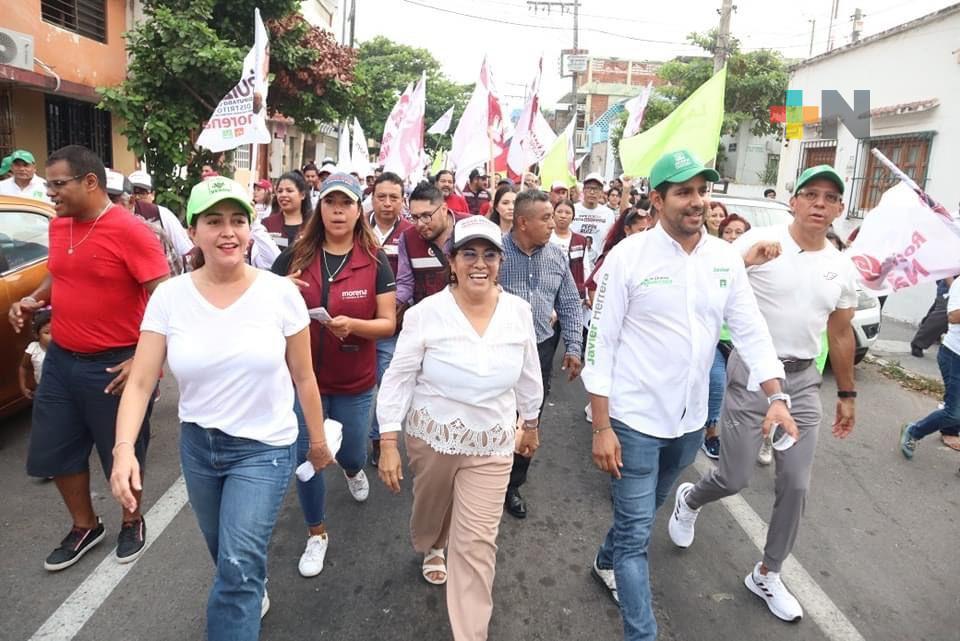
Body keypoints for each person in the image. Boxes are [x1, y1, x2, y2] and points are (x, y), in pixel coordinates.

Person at [110, 176, 332, 640]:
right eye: (214, 221)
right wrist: (123, 448)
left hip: (264, 449)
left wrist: (316, 442)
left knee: (236, 567)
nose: (228, 232)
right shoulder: (170, 297)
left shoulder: (280, 294)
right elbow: (141, 381)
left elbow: (304, 376)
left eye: (237, 220)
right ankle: (251, 584)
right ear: (192, 231)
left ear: (250, 230)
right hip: (199, 447)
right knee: (224, 553)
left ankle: (244, 587)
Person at [584, 149, 793, 640]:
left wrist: (777, 395)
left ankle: (603, 560)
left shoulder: (724, 259)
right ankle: (642, 631)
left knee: (648, 509)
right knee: (636, 537)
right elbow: (600, 344)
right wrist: (601, 426)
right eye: (684, 192)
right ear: (657, 200)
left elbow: (750, 329)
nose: (697, 201)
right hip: (634, 420)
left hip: (690, 422)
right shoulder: (628, 257)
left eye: (702, 190)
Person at [669, 163, 858, 625]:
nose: (819, 204)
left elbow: (839, 333)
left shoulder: (840, 266)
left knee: (796, 484)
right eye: (810, 194)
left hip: (803, 382)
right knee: (733, 477)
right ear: (793, 201)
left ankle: (767, 572)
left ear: (839, 209)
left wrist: (847, 392)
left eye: (830, 198)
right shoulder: (758, 243)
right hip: (752, 373)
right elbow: (706, 286)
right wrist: (747, 263)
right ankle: (690, 499)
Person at [376, 215, 543, 641]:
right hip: (433, 437)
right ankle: (432, 543)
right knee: (431, 509)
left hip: (492, 442)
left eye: (489, 254)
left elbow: (529, 374)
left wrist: (531, 423)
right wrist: (389, 440)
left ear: (500, 262)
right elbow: (398, 378)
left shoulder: (518, 312)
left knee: (477, 544)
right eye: (469, 254)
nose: (479, 264)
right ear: (452, 261)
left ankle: (471, 633)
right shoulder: (425, 314)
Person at [9, 144, 169, 571]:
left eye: (58, 184)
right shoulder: (60, 226)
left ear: (90, 182)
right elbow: (59, 273)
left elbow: (169, 302)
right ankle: (85, 525)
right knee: (55, 448)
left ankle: (131, 520)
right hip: (61, 359)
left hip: (114, 364)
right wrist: (33, 298)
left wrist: (145, 360)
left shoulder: (132, 231)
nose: (49, 193)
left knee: (121, 450)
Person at [273, 172, 396, 578]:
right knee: (310, 456)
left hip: (355, 382)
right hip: (303, 380)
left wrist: (353, 326)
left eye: (346, 203)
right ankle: (317, 532)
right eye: (330, 202)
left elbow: (388, 323)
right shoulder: (296, 256)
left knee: (352, 453)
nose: (338, 211)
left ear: (359, 210)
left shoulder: (374, 260)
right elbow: (257, 301)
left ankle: (353, 470)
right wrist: (278, 289)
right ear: (319, 208)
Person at [499, 190, 582, 518]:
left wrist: (573, 345)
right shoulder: (496, 254)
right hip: (500, 350)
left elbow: (570, 302)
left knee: (530, 416)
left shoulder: (557, 256)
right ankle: (487, 475)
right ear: (523, 222)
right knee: (498, 415)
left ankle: (513, 484)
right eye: (546, 218)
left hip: (541, 349)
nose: (553, 223)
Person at [368, 171, 413, 466]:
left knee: (387, 384)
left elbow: (409, 278)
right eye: (381, 197)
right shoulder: (357, 227)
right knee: (355, 387)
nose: (387, 203)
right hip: (356, 322)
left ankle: (378, 438)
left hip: (392, 325)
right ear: (372, 199)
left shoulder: (410, 233)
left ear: (402, 200)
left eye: (393, 197)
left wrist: (394, 306)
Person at [901, 274, 960, 455]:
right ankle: (914, 431)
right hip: (954, 356)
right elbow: (953, 316)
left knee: (955, 407)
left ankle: (950, 430)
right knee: (953, 412)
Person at [395, 183, 468, 313]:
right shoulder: (407, 238)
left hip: (467, 313)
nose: (420, 224)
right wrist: (393, 304)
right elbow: (405, 284)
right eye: (414, 217)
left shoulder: (470, 227)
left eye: (426, 216)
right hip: (427, 316)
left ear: (443, 209)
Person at [128, 169, 195, 260]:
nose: (137, 197)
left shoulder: (163, 214)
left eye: (142, 193)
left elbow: (185, 250)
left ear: (152, 195)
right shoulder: (122, 218)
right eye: (133, 192)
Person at [572, 172, 617, 265]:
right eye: (589, 188)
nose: (592, 192)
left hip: (598, 263)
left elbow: (611, 239)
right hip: (575, 262)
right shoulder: (572, 209)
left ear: (601, 192)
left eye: (596, 189)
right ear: (583, 190)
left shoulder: (608, 214)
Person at [263, 171, 312, 248]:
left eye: (289, 191)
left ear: (302, 195)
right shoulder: (267, 224)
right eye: (280, 191)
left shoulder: (313, 224)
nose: (283, 195)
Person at [910, 278, 953, 358]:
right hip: (950, 287)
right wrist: (954, 288)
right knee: (944, 313)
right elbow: (949, 274)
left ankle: (928, 327)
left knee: (940, 312)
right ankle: (918, 344)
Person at [19, 307, 52, 400]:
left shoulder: (63, 348)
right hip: (43, 391)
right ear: (37, 334)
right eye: (47, 333)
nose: (53, 336)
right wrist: (23, 386)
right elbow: (23, 367)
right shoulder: (33, 349)